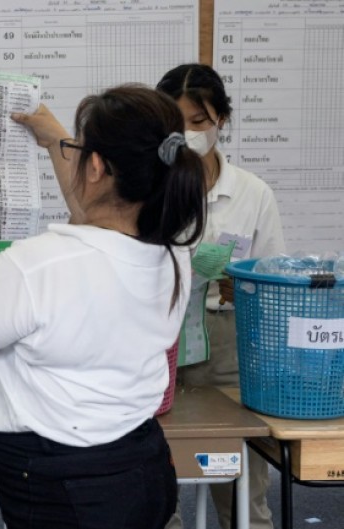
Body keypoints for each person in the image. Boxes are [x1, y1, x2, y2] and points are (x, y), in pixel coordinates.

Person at [0, 85, 207, 529]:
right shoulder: (173, 255)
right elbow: (98, 218)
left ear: (95, 165)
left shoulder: (37, 264)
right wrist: (57, 137)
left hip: (62, 486)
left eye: (81, 150)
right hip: (144, 466)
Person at [157, 63, 285, 529]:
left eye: (198, 121)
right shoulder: (149, 187)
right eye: (176, 123)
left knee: (239, 480)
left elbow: (274, 278)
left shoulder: (252, 193)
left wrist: (241, 281)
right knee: (157, 476)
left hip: (226, 342)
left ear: (221, 121)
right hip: (156, 344)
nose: (188, 133)